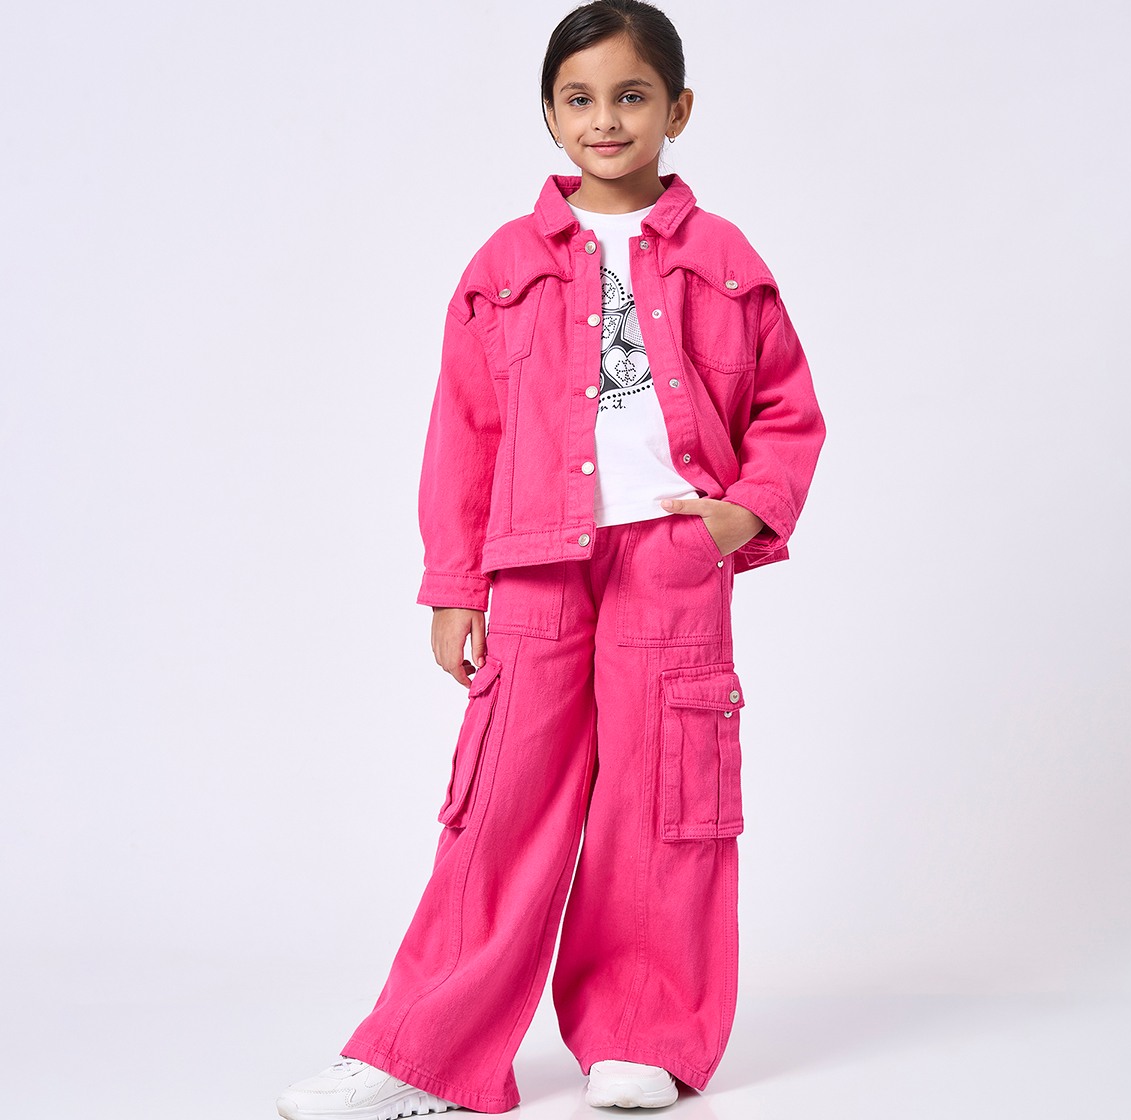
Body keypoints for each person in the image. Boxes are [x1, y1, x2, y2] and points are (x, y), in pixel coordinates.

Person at [276, 0, 825, 1116]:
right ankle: (422, 1054)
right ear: (548, 113)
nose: (605, 119)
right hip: (533, 565)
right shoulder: (505, 262)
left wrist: (742, 514)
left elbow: (787, 405)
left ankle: (644, 1033)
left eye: (631, 96)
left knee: (664, 797)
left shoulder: (724, 256)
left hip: (670, 558)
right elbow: (464, 429)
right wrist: (453, 586)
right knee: (501, 800)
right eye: (579, 98)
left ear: (677, 109)